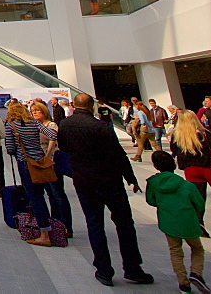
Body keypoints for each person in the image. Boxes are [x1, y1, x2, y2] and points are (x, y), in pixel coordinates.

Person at [58, 93, 153, 287]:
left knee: (94, 224)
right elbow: (118, 154)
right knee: (124, 223)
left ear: (74, 106)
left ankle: (103, 270)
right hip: (109, 180)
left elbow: (64, 148)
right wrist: (131, 178)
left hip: (84, 180)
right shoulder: (100, 126)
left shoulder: (65, 125)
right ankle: (132, 267)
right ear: (92, 106)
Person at [145, 150, 209, 294]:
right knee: (197, 248)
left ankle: (183, 283)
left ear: (155, 166)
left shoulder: (153, 183)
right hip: (188, 220)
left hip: (168, 221)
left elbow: (151, 201)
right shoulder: (186, 185)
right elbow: (200, 204)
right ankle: (196, 273)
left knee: (175, 250)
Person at [4, 102, 60, 247]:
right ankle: (51, 226)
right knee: (43, 194)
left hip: (26, 163)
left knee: (34, 197)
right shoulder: (35, 123)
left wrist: (19, 148)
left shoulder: (11, 125)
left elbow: (10, 148)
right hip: (40, 160)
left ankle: (44, 233)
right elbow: (52, 134)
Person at [170, 109, 211, 238]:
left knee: (198, 198)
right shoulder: (204, 133)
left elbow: (173, 149)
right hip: (208, 167)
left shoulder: (177, 135)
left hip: (191, 170)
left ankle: (199, 224)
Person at [30, 101, 73, 237]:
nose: (35, 113)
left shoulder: (51, 125)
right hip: (41, 162)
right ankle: (55, 222)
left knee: (57, 193)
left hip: (52, 161)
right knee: (50, 193)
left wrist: (48, 156)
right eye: (33, 111)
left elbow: (53, 140)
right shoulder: (35, 125)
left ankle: (65, 225)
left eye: (37, 110)